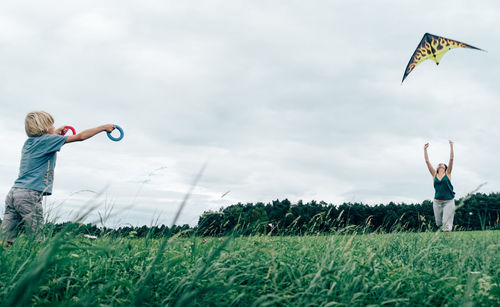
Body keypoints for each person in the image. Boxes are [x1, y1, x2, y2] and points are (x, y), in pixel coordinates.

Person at [1, 111, 115, 246]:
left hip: (14, 193)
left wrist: (55, 134)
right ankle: (36, 262)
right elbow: (80, 136)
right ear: (45, 128)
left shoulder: (29, 143)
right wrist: (103, 128)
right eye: (52, 126)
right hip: (29, 195)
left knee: (7, 236)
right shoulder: (48, 140)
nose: (54, 128)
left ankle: (4, 256)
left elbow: (45, 140)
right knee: (35, 235)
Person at [424, 140, 455, 232]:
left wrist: (451, 146)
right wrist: (425, 149)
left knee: (446, 223)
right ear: (437, 168)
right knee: (438, 223)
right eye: (439, 164)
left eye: (442, 164)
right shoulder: (434, 174)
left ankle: (447, 239)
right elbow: (427, 161)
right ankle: (442, 233)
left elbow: (451, 159)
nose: (440, 164)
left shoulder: (448, 174)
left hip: (448, 201)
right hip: (437, 202)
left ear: (445, 167)